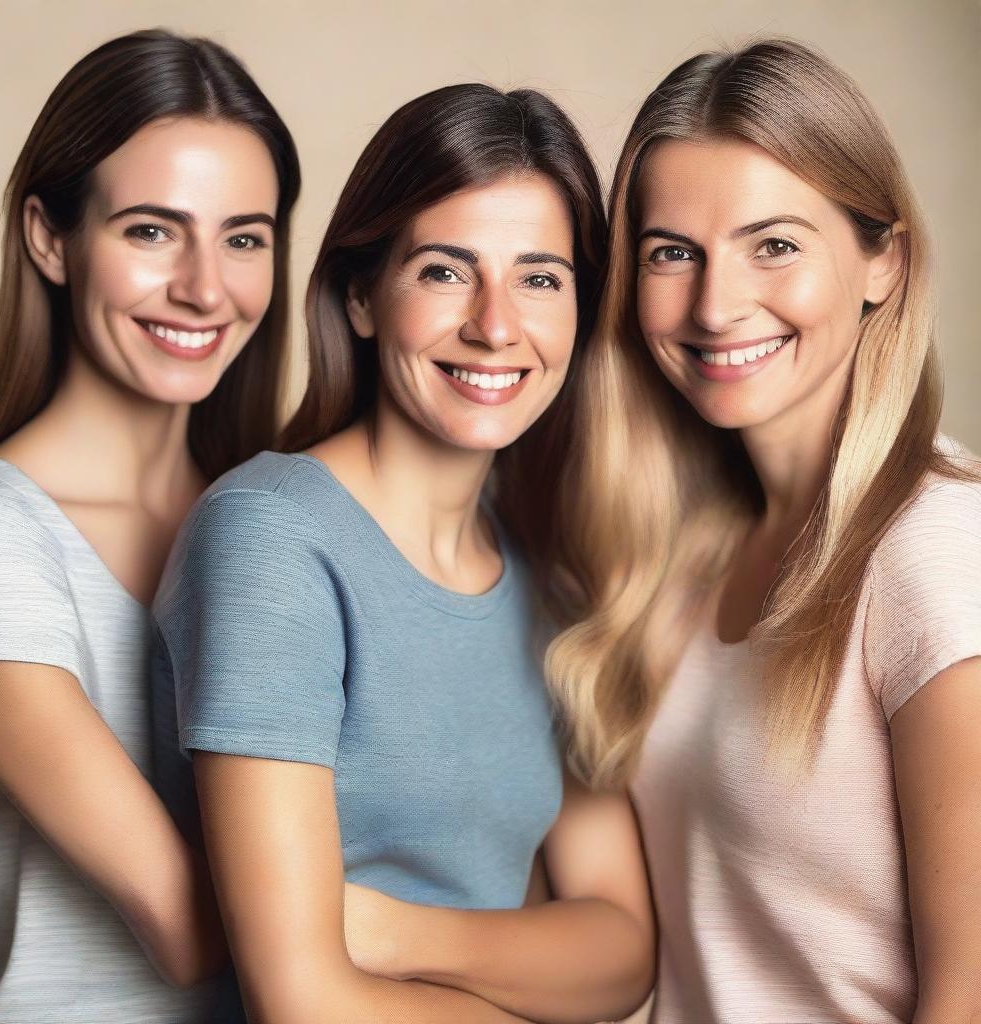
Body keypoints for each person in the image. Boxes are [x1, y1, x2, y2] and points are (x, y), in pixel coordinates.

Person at [152, 83, 655, 1023]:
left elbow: (621, 948)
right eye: (445, 271)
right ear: (361, 296)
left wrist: (385, 931)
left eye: (541, 277)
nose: (496, 325)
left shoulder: (553, 578)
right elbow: (301, 1002)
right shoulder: (270, 536)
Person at [542, 38, 981, 1024]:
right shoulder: (670, 559)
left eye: (772, 244)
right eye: (671, 254)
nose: (713, 303)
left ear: (883, 261)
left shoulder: (935, 552)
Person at [0, 29, 300, 1023]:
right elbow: (186, 925)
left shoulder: (278, 518)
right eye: (152, 230)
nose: (205, 287)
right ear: (49, 236)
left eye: (244, 237)